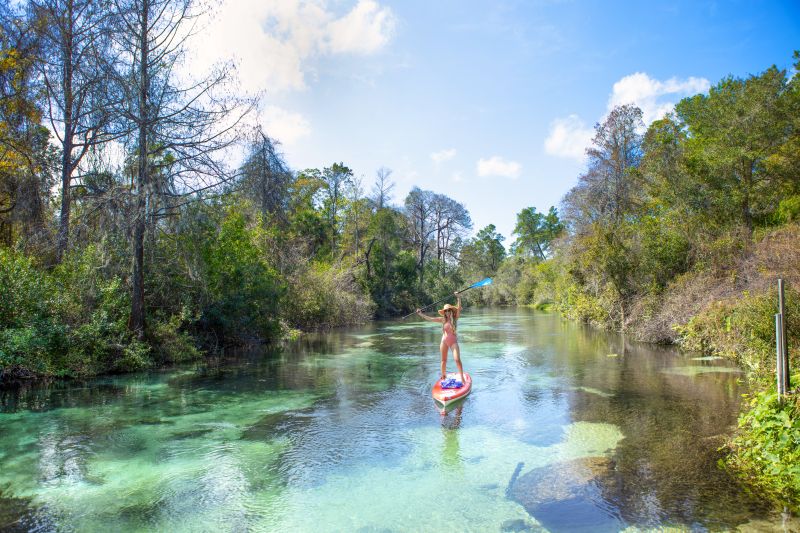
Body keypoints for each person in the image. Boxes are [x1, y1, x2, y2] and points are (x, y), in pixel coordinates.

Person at [416, 292, 465, 385]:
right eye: (445, 311)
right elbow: (430, 319)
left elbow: (458, 308)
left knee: (457, 360)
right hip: (444, 341)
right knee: (443, 360)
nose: (447, 312)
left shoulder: (455, 318)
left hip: (453, 342)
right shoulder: (443, 320)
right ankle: (443, 377)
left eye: (448, 310)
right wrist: (421, 314)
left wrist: (458, 298)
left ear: (451, 311)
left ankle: (462, 378)